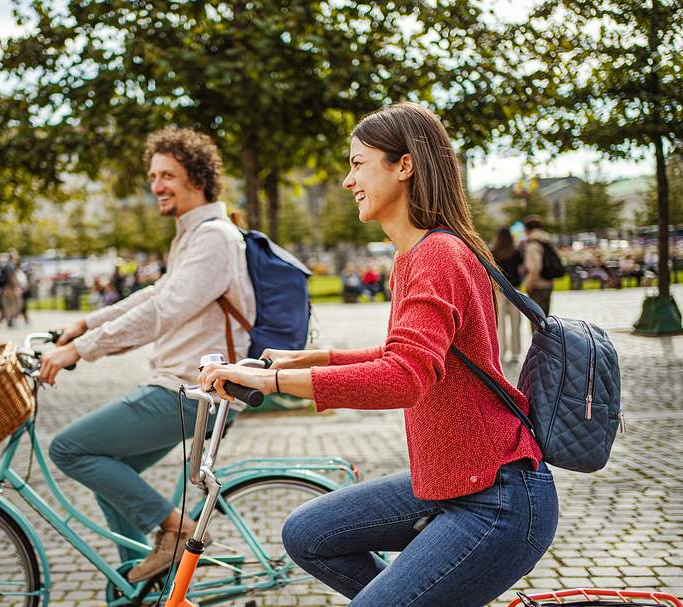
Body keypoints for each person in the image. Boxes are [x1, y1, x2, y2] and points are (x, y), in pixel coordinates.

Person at [199, 103, 557, 607]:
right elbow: (405, 353)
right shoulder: (415, 255)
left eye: (358, 163)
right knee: (308, 534)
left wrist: (271, 382)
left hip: (494, 500)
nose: (349, 181)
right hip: (454, 482)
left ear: (404, 165)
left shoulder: (438, 255)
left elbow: (404, 377)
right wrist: (308, 360)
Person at [39, 127, 255, 582]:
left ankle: (177, 530)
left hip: (192, 390)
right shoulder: (193, 235)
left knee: (70, 448)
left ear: (197, 178)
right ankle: (139, 587)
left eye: (167, 175)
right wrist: (86, 324)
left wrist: (82, 349)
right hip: (183, 387)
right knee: (112, 476)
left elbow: (164, 309)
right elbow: (156, 293)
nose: (156, 185)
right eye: (153, 175)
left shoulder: (214, 237)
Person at [491, 227, 524, 364]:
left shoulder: (493, 252)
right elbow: (522, 268)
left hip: (499, 290)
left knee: (500, 323)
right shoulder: (516, 252)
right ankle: (515, 353)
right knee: (516, 323)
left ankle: (502, 352)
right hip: (514, 289)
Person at [522, 215, 554, 319]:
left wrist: (529, 284)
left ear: (527, 229)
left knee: (536, 320)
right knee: (545, 318)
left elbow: (535, 267)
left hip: (537, 285)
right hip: (548, 283)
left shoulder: (532, 244)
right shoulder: (546, 241)